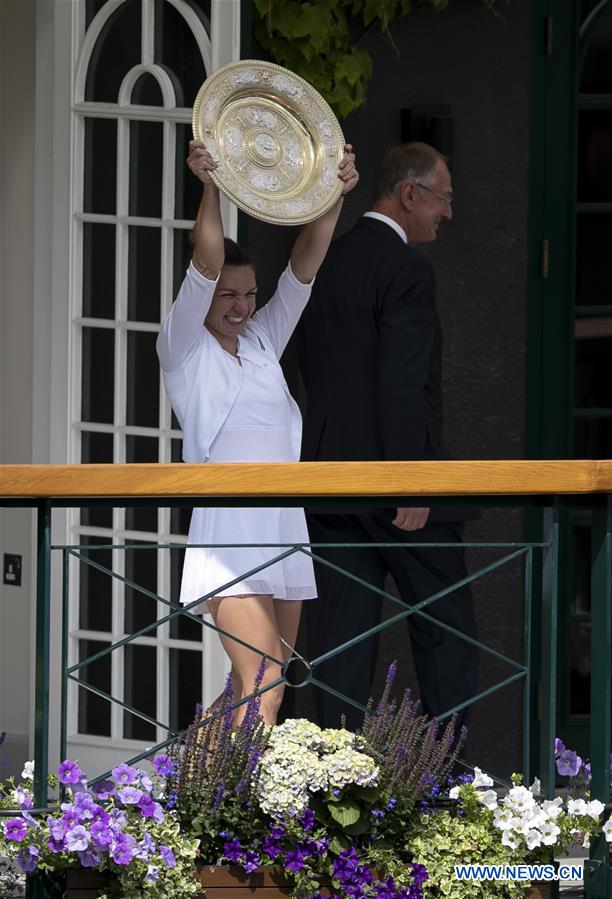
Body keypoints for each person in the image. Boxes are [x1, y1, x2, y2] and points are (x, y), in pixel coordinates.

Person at [157, 139, 358, 726]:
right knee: (263, 680)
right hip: (230, 524)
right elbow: (207, 256)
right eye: (227, 295)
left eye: (248, 293)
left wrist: (333, 194)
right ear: (203, 296)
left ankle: (185, 793)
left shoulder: (264, 339)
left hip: (283, 520)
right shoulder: (183, 346)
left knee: (272, 678)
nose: (242, 306)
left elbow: (304, 268)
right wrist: (212, 185)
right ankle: (237, 812)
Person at [296, 141, 479, 733]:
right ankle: (446, 782)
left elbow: (314, 368)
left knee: (339, 642)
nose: (447, 214)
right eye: (443, 200)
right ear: (410, 194)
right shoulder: (406, 270)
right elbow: (404, 383)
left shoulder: (329, 262)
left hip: (330, 486)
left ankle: (329, 778)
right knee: (447, 630)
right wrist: (412, 479)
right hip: (396, 490)